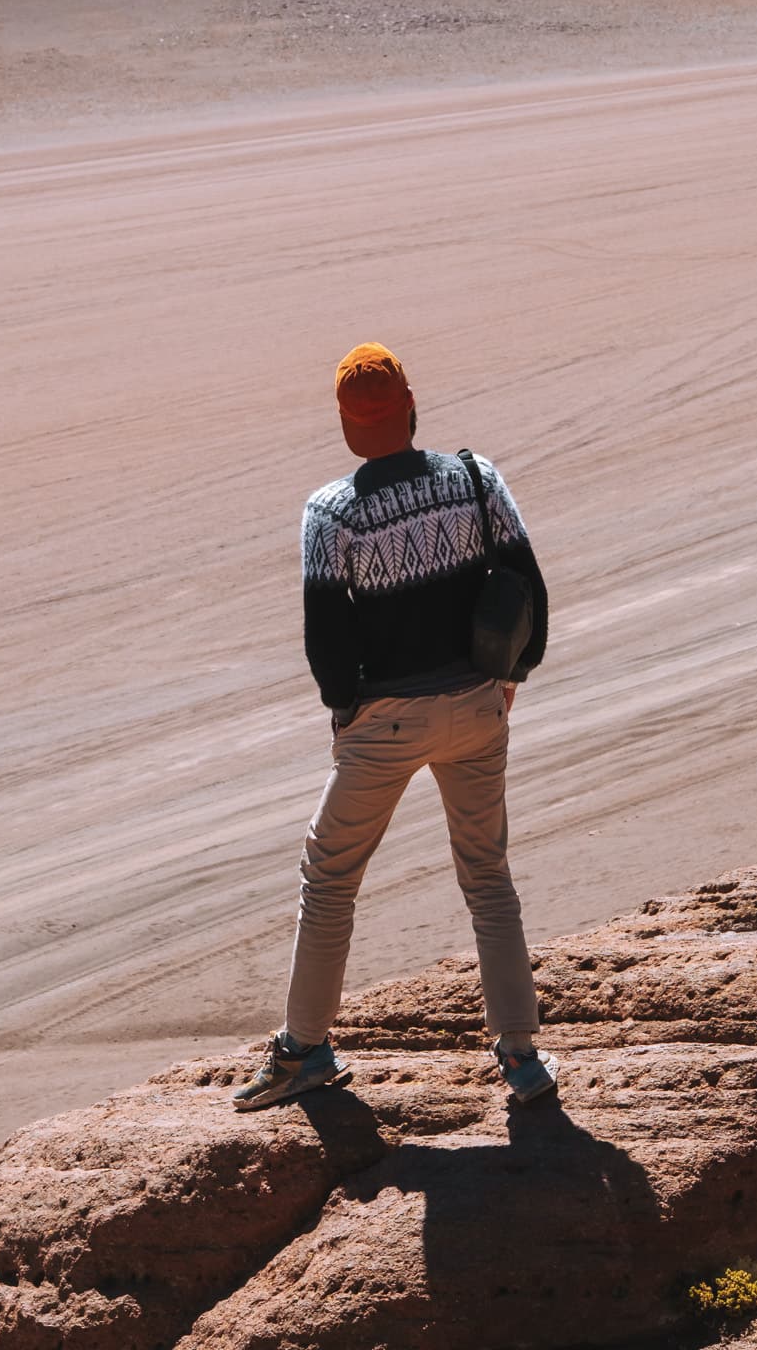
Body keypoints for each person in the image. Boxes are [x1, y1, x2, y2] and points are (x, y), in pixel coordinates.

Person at [233, 341, 556, 1111]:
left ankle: (304, 1049)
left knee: (330, 877)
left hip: (383, 724)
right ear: (412, 407)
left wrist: (346, 714)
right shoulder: (477, 479)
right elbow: (529, 592)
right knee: (487, 878)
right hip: (479, 709)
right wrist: (509, 679)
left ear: (348, 429)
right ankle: (520, 1056)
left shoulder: (330, 512)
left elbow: (326, 639)